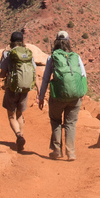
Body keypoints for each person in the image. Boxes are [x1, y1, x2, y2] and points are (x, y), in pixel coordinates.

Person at [37, 30, 87, 161]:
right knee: (70, 123)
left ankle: (57, 150)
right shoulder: (75, 56)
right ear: (68, 42)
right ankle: (71, 153)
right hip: (75, 96)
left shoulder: (52, 58)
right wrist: (82, 92)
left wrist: (41, 97)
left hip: (58, 96)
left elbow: (46, 79)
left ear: (56, 42)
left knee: (56, 121)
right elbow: (83, 75)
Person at [0, 30, 35, 152]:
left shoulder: (7, 54)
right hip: (25, 89)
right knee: (20, 114)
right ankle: (21, 138)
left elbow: (2, 74)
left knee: (11, 115)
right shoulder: (28, 54)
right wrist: (39, 90)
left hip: (12, 88)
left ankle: (19, 136)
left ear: (11, 42)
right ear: (22, 41)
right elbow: (34, 71)